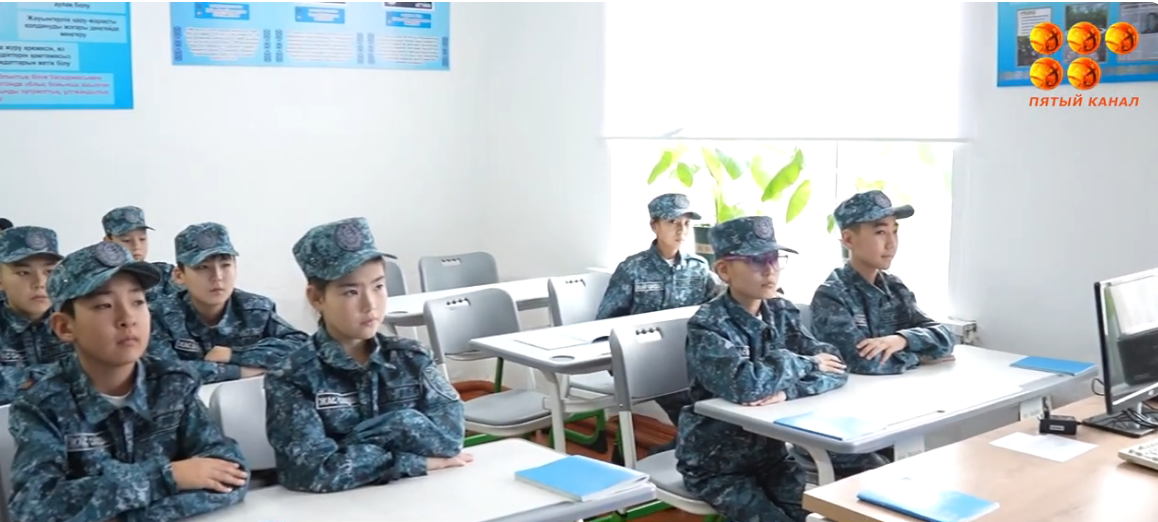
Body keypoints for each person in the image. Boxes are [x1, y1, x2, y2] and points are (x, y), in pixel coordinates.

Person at [6, 241, 249, 522]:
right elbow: (33, 509)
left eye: (137, 302)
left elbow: (230, 472)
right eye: (104, 305)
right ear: (64, 326)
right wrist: (166, 477)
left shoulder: (172, 383)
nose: (127, 318)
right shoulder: (42, 406)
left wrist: (124, 515)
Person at [264, 217, 469, 493]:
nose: (370, 304)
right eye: (351, 292)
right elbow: (311, 472)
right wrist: (412, 462)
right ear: (316, 297)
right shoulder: (292, 377)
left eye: (378, 286)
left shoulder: (412, 359)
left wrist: (395, 424)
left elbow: (449, 441)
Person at [676, 216, 848, 522]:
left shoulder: (780, 311)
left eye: (774, 259)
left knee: (820, 516)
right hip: (716, 463)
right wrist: (805, 363)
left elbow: (835, 366)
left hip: (772, 458)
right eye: (756, 261)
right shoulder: (708, 325)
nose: (770, 270)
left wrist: (788, 392)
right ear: (724, 270)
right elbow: (746, 386)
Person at [595, 193, 723, 452]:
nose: (681, 230)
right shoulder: (633, 268)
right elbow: (606, 322)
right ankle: (684, 449)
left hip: (684, 355)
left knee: (717, 394)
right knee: (691, 401)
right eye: (672, 222)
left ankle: (683, 447)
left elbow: (717, 305)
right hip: (643, 358)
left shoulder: (698, 267)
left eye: (686, 223)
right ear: (654, 225)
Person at [810, 190, 956, 375]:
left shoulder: (895, 288)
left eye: (894, 231)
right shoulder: (831, 296)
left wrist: (901, 340)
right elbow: (863, 362)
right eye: (880, 232)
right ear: (849, 239)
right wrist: (920, 356)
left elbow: (945, 336)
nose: (891, 243)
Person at [149, 222, 308, 383]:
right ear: (179, 275)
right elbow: (159, 370)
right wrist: (238, 371)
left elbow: (302, 347)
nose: (217, 277)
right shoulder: (160, 315)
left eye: (225, 265)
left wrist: (234, 354)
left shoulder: (256, 309)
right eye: (203, 267)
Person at [0, 226, 70, 405]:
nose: (40, 283)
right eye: (23, 273)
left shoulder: (76, 317)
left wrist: (19, 380)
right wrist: (62, 376)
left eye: (49, 271)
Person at [102, 205, 181, 301]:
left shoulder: (165, 274)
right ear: (108, 242)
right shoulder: (98, 282)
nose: (136, 246)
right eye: (126, 240)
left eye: (142, 239)